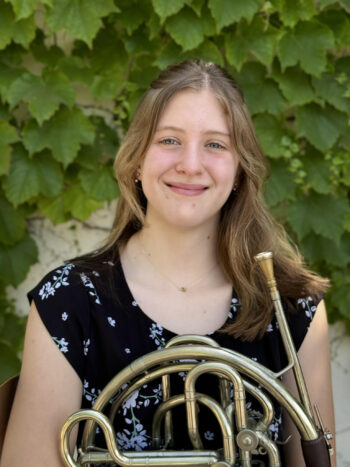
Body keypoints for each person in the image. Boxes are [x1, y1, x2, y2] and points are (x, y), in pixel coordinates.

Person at [1, 60, 336, 467]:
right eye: (169, 140)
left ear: (239, 171)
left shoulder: (292, 306)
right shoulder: (69, 301)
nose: (190, 164)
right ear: (137, 160)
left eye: (215, 144)